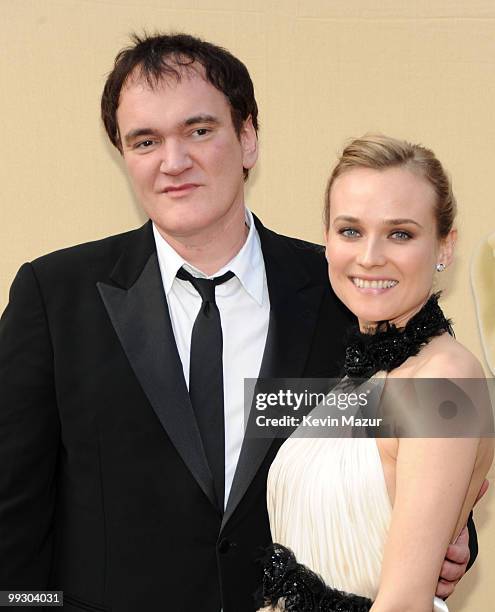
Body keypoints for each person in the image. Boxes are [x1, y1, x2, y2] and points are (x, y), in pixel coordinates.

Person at [0, 34, 475, 612]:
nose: (173, 162)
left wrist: (454, 537)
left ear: (248, 138)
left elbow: (414, 442)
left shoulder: (345, 291)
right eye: (145, 140)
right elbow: (12, 513)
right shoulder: (55, 297)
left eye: (199, 130)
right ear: (124, 154)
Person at [259, 135, 493, 612]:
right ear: (326, 239)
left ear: (444, 246)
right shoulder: (363, 376)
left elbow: (405, 603)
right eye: (350, 231)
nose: (369, 257)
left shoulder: (442, 379)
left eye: (400, 233)